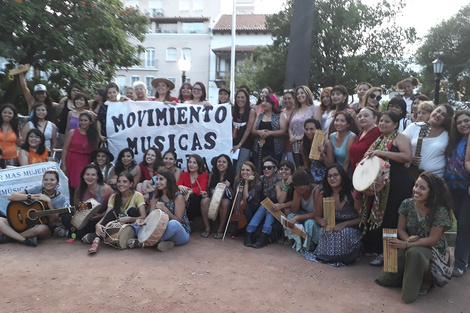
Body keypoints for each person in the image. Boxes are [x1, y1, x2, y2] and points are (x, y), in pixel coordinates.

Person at [375, 172, 453, 303]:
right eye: (416, 185)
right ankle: (407, 277)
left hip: (433, 249)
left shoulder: (440, 210)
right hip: (410, 242)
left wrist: (407, 245)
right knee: (391, 270)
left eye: (422, 188)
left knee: (414, 252)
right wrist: (406, 239)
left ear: (432, 192)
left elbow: (433, 239)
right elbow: (401, 229)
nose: (416, 190)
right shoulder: (407, 204)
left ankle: (424, 283)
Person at [359, 111, 413, 266]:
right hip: (382, 185)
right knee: (380, 218)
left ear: (395, 124)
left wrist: (381, 153)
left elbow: (407, 157)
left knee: (391, 218)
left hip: (398, 184)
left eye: (387, 121)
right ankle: (379, 250)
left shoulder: (401, 137)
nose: (382, 124)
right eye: (381, 120)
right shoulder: (379, 139)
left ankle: (388, 255)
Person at [305, 165, 361, 265]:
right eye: (329, 176)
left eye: (335, 175)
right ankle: (326, 257)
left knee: (344, 233)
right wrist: (321, 221)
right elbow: (317, 215)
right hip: (331, 226)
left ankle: (347, 258)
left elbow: (362, 218)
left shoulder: (352, 193)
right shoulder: (323, 194)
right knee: (325, 232)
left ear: (342, 176)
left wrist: (345, 224)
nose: (332, 178)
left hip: (351, 227)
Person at [0, 170, 69, 247]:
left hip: (42, 227)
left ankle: (10, 237)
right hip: (23, 224)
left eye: (52, 180)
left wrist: (49, 202)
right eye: (46, 179)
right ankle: (23, 239)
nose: (48, 182)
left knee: (42, 229)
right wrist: (32, 196)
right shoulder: (37, 189)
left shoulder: (60, 198)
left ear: (57, 182)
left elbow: (52, 219)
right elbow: (11, 197)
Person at [87, 172, 146, 254]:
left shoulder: (138, 195)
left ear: (131, 184)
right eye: (119, 181)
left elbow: (143, 216)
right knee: (112, 212)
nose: (121, 184)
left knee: (132, 210)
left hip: (132, 225)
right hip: (117, 224)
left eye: (124, 182)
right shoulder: (113, 197)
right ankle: (96, 240)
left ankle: (96, 237)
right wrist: (98, 224)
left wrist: (129, 219)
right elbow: (107, 214)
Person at [133, 169, 191, 251]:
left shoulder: (178, 197)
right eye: (157, 179)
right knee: (135, 226)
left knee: (173, 224)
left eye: (161, 179)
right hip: (159, 231)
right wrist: (142, 222)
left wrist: (165, 209)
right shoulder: (156, 196)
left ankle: (146, 243)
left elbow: (179, 221)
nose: (157, 182)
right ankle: (165, 243)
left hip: (179, 233)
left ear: (169, 181)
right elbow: (150, 219)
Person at [444, 110, 470, 277]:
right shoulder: (455, 141)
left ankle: (460, 263)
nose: (463, 125)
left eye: (466, 121)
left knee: (463, 225)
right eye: (459, 122)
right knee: (462, 224)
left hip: (468, 190)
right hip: (453, 190)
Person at [65, 164, 115, 240]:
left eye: (93, 175)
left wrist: (100, 215)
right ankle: (84, 236)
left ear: (97, 177)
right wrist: (76, 215)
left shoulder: (107, 190)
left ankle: (72, 234)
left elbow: (112, 210)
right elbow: (77, 208)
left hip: (99, 220)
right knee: (65, 217)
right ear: (83, 176)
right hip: (84, 219)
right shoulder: (80, 190)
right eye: (87, 174)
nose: (90, 177)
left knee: (102, 223)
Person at [403, 104, 453, 178]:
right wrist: (409, 158)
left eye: (443, 115)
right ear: (433, 111)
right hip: (411, 175)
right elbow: (399, 145)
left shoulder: (449, 135)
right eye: (438, 111)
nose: (438, 115)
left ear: (447, 119)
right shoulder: (414, 126)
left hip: (434, 178)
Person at [244, 157, 281, 248]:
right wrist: (247, 182)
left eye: (269, 167)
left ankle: (254, 232)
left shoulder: (280, 180)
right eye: (264, 168)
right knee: (265, 206)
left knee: (269, 207)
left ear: (275, 169)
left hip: (279, 208)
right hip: (264, 206)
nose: (266, 169)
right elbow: (249, 197)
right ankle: (258, 234)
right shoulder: (260, 179)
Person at [61, 112, 100, 198]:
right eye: (81, 120)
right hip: (71, 160)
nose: (83, 122)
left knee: (79, 185)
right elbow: (65, 149)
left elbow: (95, 152)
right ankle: (68, 207)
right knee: (67, 186)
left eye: (85, 120)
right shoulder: (72, 132)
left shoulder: (94, 135)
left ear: (90, 122)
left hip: (85, 162)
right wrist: (63, 164)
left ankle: (78, 206)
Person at [283, 167, 321, 252]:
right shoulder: (297, 190)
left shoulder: (316, 190)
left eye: (303, 188)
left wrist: (297, 218)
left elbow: (316, 214)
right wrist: (298, 195)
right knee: (290, 216)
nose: (301, 190)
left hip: (315, 218)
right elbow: (294, 210)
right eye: (298, 188)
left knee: (309, 223)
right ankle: (297, 242)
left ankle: (310, 245)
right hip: (304, 213)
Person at [200, 154, 235, 239]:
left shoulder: (233, 176)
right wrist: (205, 194)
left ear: (228, 164)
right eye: (219, 162)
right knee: (204, 200)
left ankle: (220, 229)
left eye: (224, 162)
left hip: (225, 202)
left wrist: (229, 187)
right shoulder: (212, 175)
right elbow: (208, 191)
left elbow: (234, 195)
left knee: (225, 202)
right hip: (213, 200)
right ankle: (207, 228)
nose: (221, 164)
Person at [289, 85, 322, 167]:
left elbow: (318, 127)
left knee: (310, 167)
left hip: (310, 143)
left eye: (302, 93)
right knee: (299, 167)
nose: (299, 95)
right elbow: (290, 127)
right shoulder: (295, 110)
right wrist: (291, 136)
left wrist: (302, 136)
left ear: (307, 94)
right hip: (295, 145)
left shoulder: (315, 108)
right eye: (297, 94)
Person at [252, 94, 286, 171]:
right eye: (263, 101)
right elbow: (253, 130)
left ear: (273, 103)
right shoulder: (259, 115)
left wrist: (270, 133)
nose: (264, 103)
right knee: (259, 170)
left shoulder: (280, 115)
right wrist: (259, 132)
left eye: (267, 102)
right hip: (259, 149)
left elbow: (283, 131)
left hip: (275, 150)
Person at [231, 161, 262, 239]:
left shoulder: (257, 183)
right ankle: (239, 226)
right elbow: (235, 196)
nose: (244, 172)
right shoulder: (238, 180)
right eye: (242, 170)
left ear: (253, 172)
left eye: (247, 170)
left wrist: (247, 183)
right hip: (242, 206)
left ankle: (246, 227)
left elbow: (246, 199)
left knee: (245, 205)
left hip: (253, 207)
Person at [177, 154, 209, 224]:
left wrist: (190, 191)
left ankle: (190, 222)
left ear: (199, 165)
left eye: (194, 163)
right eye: (190, 162)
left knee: (193, 197)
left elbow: (203, 187)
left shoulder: (204, 175)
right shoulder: (184, 174)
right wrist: (179, 187)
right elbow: (178, 185)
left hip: (197, 201)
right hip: (184, 199)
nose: (191, 164)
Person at [301, 118, 334, 184]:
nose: (308, 132)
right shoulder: (304, 143)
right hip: (312, 177)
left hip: (326, 176)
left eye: (311, 129)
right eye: (306, 129)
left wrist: (323, 155)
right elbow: (306, 165)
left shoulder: (326, 143)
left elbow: (331, 166)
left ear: (318, 130)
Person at [349, 107, 382, 173]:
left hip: (370, 173)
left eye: (366, 116)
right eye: (360, 116)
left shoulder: (379, 131)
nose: (362, 118)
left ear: (375, 118)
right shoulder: (361, 132)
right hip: (357, 173)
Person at [232, 88, 256, 173]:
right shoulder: (232, 110)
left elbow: (248, 129)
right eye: (238, 97)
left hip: (244, 145)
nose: (240, 100)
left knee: (241, 169)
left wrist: (239, 144)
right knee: (231, 167)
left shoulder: (251, 111)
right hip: (232, 145)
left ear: (247, 99)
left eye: (242, 97)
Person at [281, 89, 297, 164]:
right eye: (285, 99)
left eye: (289, 98)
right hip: (282, 141)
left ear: (294, 99)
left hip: (293, 141)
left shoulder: (298, 111)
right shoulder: (282, 112)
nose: (287, 100)